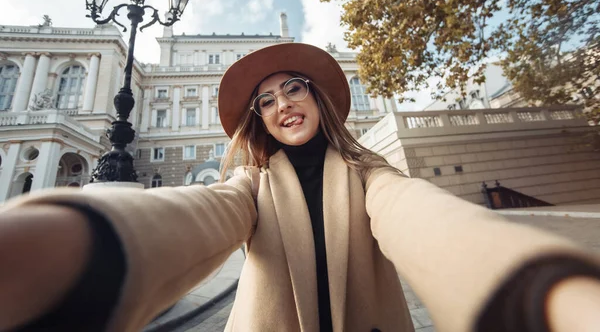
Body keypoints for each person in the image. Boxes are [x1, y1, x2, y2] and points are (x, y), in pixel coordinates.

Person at [1, 43, 600, 332]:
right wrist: (88, 236)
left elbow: (420, 218)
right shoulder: (249, 182)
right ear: (257, 120)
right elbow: (203, 213)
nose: (281, 104)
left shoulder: (369, 170)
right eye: (265, 101)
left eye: (293, 88)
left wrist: (531, 284)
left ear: (316, 97)